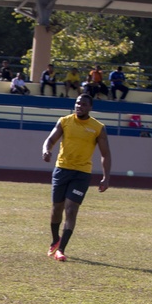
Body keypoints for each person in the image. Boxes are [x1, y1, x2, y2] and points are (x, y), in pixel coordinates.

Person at [41, 93, 111, 262]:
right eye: (78, 103)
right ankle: (54, 240)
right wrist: (46, 150)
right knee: (56, 208)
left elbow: (105, 154)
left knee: (71, 210)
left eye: (84, 104)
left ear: (90, 107)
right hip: (62, 170)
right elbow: (50, 140)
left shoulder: (98, 127)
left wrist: (106, 177)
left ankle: (61, 249)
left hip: (82, 174)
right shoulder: (64, 121)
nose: (80, 106)